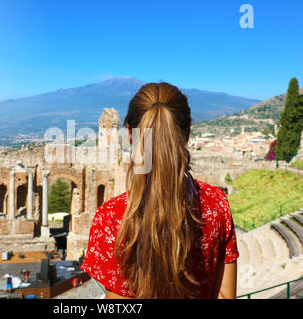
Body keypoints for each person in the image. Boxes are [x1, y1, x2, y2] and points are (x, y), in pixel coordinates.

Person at [80, 83, 239, 299]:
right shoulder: (216, 203)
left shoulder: (110, 218)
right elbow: (225, 296)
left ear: (129, 134)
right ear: (187, 134)